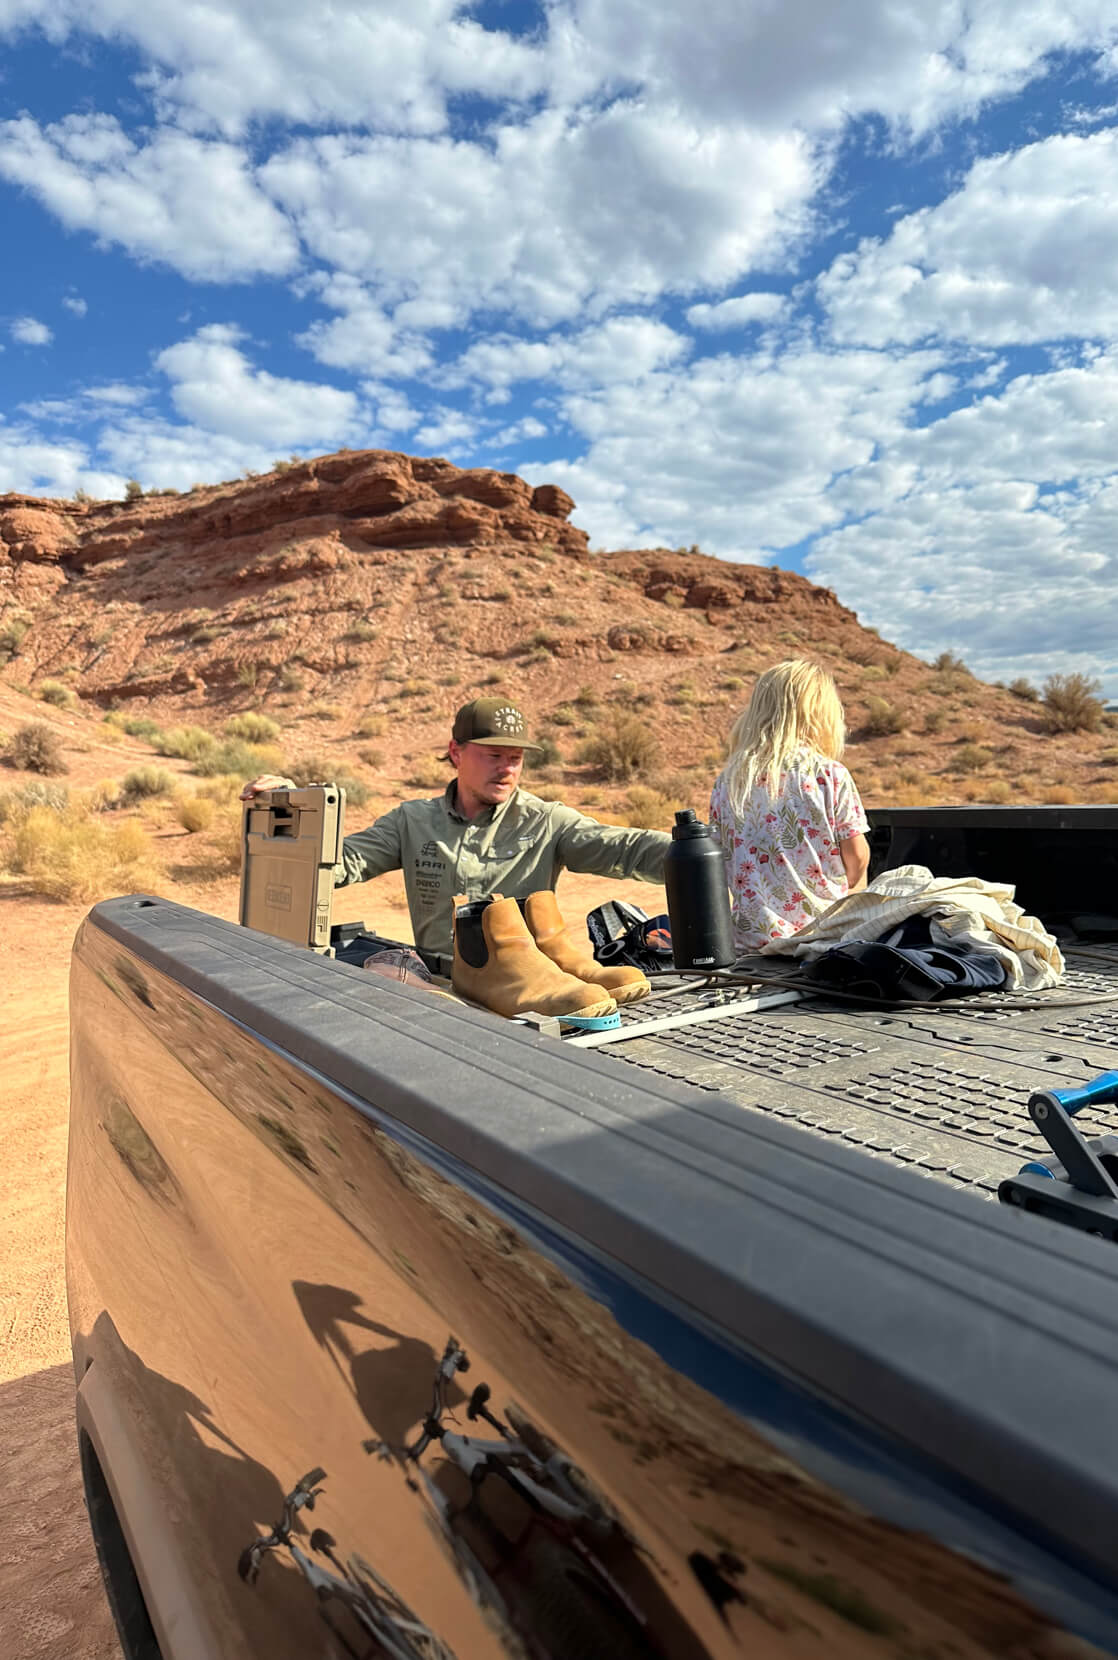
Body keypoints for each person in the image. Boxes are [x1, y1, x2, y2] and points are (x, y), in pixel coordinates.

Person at [241, 696, 670, 969]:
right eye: (493, 755)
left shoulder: (546, 821)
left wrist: (700, 853)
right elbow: (337, 863)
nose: (506, 768)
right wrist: (289, 808)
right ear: (455, 753)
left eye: (515, 758)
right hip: (431, 988)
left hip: (524, 988)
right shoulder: (412, 821)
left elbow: (625, 850)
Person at [709, 660, 869, 952]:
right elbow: (856, 859)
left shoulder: (728, 781)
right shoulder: (828, 774)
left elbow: (718, 864)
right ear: (820, 716)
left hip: (752, 944)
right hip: (823, 940)